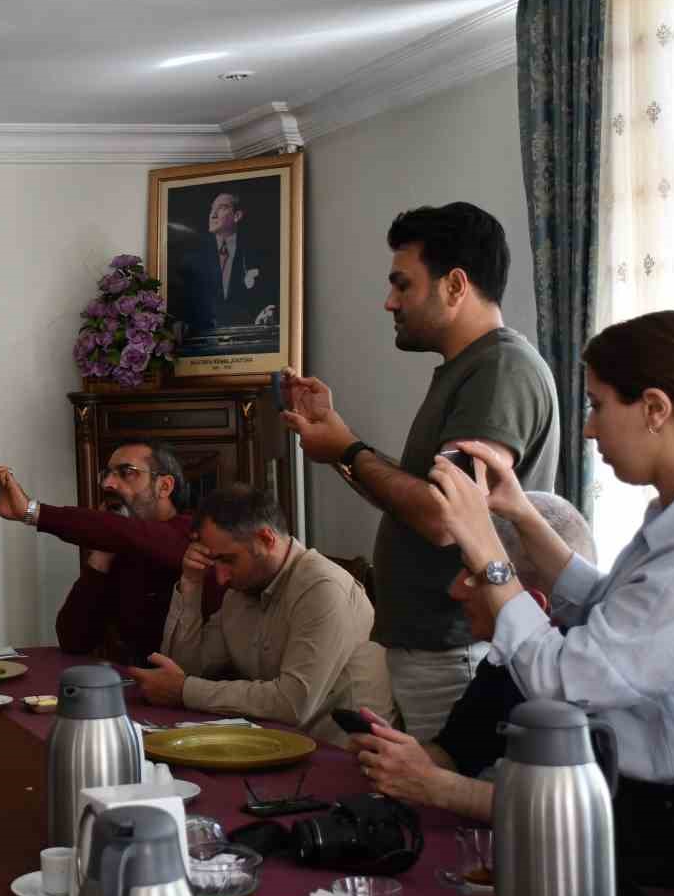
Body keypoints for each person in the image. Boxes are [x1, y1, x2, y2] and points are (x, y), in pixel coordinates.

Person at [427, 310, 674, 893]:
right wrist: (520, 513)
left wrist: (486, 549)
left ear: (654, 408)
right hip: (667, 808)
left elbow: (563, 677)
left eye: (598, 405)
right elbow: (607, 606)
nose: (588, 429)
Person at [281, 202, 558, 741]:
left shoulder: (500, 369)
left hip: (459, 645)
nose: (390, 302)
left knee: (449, 790)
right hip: (433, 645)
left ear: (455, 285)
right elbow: (420, 499)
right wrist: (338, 443)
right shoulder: (471, 369)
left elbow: (442, 518)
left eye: (403, 285)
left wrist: (348, 449)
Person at [350, 493, 596, 821]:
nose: (454, 590)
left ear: (533, 605)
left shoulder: (594, 677)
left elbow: (561, 810)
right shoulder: (502, 662)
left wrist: (437, 786)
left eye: (472, 574)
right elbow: (455, 754)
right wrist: (397, 754)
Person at [127, 485, 396, 747]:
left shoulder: (322, 587)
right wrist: (191, 583)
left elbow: (292, 705)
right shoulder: (239, 592)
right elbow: (184, 670)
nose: (220, 578)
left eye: (228, 560)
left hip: (347, 757)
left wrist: (186, 691)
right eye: (213, 561)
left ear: (266, 539)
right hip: (275, 745)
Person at [0, 442, 208, 665]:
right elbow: (74, 640)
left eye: (127, 473)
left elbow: (133, 535)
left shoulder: (190, 534)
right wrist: (101, 556)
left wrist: (31, 511)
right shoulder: (119, 546)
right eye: (107, 474)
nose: (108, 484)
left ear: (164, 486)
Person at [169, 190, 279, 337]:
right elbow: (181, 301)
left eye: (221, 208)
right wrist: (179, 320)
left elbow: (270, 295)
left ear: (237, 216)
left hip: (247, 336)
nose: (212, 215)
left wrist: (269, 310)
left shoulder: (258, 253)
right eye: (212, 209)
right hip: (203, 338)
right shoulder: (193, 256)